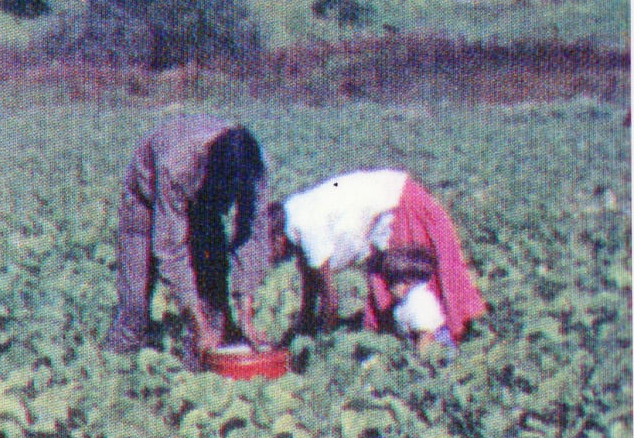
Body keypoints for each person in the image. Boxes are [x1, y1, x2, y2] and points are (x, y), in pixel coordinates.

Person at [101, 116, 274, 363]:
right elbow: (170, 250)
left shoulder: (255, 167)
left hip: (203, 204)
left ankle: (199, 372)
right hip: (145, 199)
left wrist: (245, 316)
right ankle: (112, 374)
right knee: (134, 310)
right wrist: (197, 324)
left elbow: (252, 235)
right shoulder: (178, 165)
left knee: (215, 307)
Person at [272, 168, 486, 346]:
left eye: (272, 251)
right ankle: (414, 346)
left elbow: (329, 299)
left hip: (400, 204)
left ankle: (435, 351)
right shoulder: (291, 212)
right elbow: (310, 287)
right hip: (388, 202)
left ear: (278, 239)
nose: (273, 258)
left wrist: (321, 344)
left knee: (417, 290)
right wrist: (302, 328)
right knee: (394, 296)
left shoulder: (308, 226)